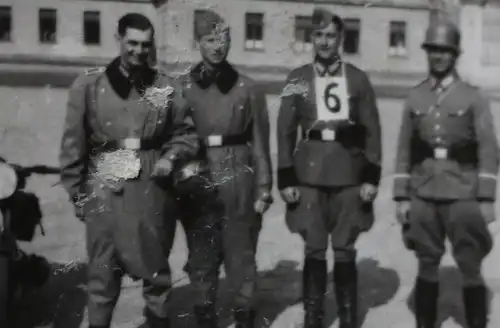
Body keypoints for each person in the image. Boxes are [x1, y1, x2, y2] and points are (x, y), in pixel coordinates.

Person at [59, 13, 199, 328]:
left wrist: (171, 156)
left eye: (145, 45)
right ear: (118, 39)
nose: (138, 50)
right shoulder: (89, 85)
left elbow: (186, 135)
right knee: (102, 276)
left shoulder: (166, 86)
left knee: (156, 274)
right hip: (105, 188)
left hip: (151, 188)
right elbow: (72, 146)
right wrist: (78, 196)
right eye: (132, 43)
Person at [276, 7, 382, 328]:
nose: (325, 42)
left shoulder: (357, 79)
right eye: (319, 35)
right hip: (309, 174)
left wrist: (372, 175)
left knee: (346, 247)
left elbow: (373, 130)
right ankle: (314, 315)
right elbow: (284, 130)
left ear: (341, 39)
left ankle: (348, 317)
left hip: (349, 173)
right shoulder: (297, 79)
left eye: (331, 35)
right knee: (314, 247)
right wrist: (285, 176)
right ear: (312, 38)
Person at [393, 20, 498, 328]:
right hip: (424, 191)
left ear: (455, 55)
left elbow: (489, 150)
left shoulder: (473, 97)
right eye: (433, 50)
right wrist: (401, 196)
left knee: (470, 264)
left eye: (444, 51)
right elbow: (404, 148)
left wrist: (486, 198)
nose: (438, 56)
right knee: (426, 262)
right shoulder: (415, 97)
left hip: (463, 192)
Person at [176, 9, 273, 328]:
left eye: (223, 38)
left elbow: (259, 142)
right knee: (202, 260)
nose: (217, 46)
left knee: (241, 256)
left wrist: (263, 187)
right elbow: (175, 140)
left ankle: (244, 316)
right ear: (198, 43)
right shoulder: (183, 88)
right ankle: (205, 317)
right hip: (199, 179)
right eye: (209, 39)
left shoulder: (248, 88)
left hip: (239, 179)